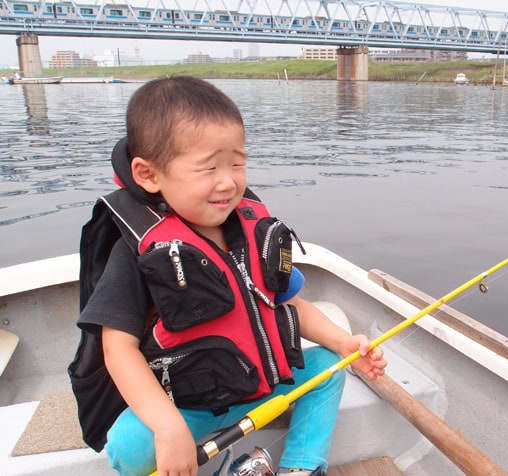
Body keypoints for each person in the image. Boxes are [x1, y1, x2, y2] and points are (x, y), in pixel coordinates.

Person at [73, 76, 387, 476]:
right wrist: (167, 426)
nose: (228, 181)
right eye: (209, 168)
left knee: (326, 368)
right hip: (186, 406)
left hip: (261, 383)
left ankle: (302, 467)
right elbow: (118, 349)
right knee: (127, 447)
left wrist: (345, 342)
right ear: (149, 175)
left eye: (238, 163)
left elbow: (289, 304)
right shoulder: (136, 252)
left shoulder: (254, 229)